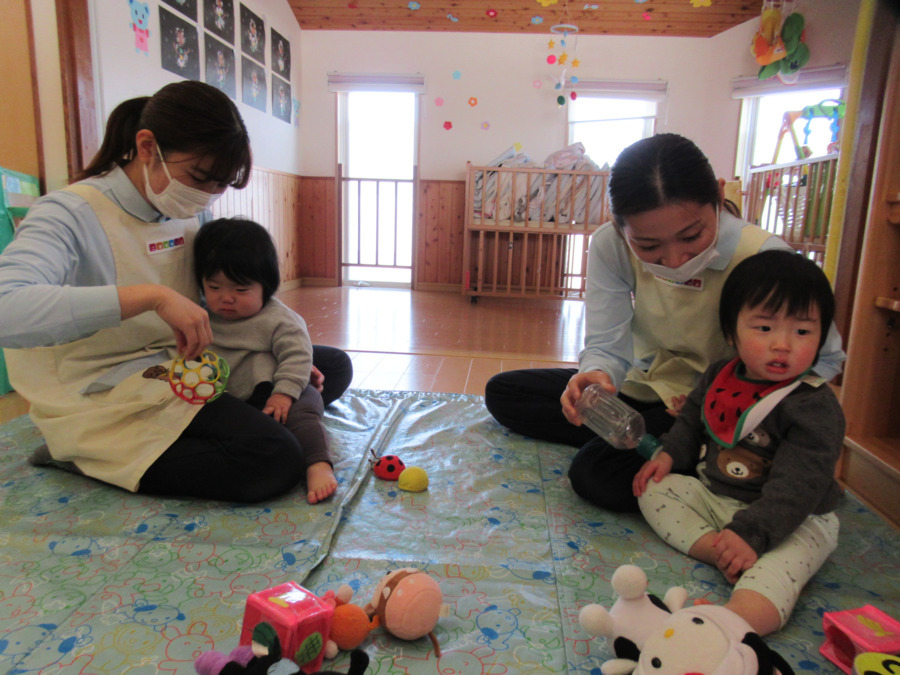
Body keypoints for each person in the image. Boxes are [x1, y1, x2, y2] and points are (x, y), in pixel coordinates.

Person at [0, 80, 351, 503]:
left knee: (329, 364)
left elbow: (228, 297)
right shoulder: (69, 213)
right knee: (275, 459)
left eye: (219, 185)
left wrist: (282, 359)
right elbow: (8, 309)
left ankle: (254, 419)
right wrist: (152, 297)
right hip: (109, 386)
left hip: (183, 360)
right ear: (147, 146)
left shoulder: (184, 211)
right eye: (200, 178)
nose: (206, 196)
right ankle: (86, 453)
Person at [483, 133, 845, 512]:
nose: (673, 259)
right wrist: (595, 375)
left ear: (719, 198)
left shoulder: (762, 257)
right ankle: (639, 441)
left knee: (595, 476)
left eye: (692, 236)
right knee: (505, 393)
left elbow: (826, 358)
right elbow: (607, 344)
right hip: (649, 387)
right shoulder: (611, 245)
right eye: (649, 246)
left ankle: (698, 456)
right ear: (618, 224)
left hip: (715, 410)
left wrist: (724, 400)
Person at [632, 249, 844, 636]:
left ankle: (728, 625)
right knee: (654, 489)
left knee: (777, 572)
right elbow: (692, 420)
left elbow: (799, 486)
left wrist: (754, 533)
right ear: (731, 333)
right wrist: (669, 454)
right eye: (764, 328)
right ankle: (721, 550)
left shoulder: (813, 405)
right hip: (718, 498)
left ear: (820, 337)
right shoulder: (720, 374)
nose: (783, 344)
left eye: (802, 331)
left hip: (792, 518)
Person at [193, 217, 337, 504]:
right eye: (214, 287)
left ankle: (317, 464)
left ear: (266, 287)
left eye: (240, 290)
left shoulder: (278, 318)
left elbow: (298, 355)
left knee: (303, 412)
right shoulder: (200, 315)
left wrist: (285, 393)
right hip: (234, 400)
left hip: (277, 390)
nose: (226, 298)